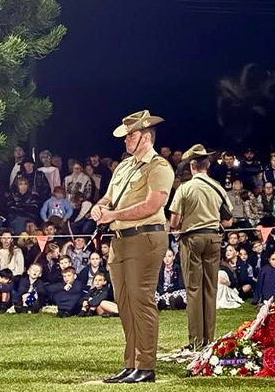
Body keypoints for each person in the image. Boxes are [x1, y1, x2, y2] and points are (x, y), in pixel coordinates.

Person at [90, 110, 174, 384]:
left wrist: (113, 215)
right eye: (126, 136)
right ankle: (132, 363)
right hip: (120, 241)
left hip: (145, 238)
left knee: (141, 300)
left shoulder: (159, 167)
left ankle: (146, 365)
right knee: (125, 303)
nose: (127, 140)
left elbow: (153, 204)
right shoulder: (124, 167)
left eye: (132, 135)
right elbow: (108, 198)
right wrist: (99, 208)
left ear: (146, 137)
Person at [168, 143, 226, 351]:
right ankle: (209, 340)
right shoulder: (217, 187)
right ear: (207, 165)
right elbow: (227, 220)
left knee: (194, 289)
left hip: (192, 239)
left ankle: (196, 342)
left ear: (192, 166)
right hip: (214, 238)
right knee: (210, 290)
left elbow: (174, 222)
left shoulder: (184, 188)